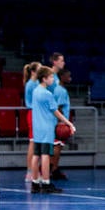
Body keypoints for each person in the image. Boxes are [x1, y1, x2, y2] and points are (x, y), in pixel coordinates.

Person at [29, 66, 75, 194]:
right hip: (46, 127)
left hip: (37, 127)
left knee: (36, 155)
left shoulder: (36, 91)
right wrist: (69, 123)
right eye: (50, 77)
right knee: (45, 156)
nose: (53, 80)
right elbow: (56, 112)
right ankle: (46, 183)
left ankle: (35, 183)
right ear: (44, 79)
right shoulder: (47, 94)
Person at [49, 68, 72, 181]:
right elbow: (59, 108)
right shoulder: (61, 90)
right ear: (62, 77)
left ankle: (53, 168)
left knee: (57, 146)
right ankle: (53, 169)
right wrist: (62, 122)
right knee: (57, 145)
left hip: (57, 121)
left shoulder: (58, 89)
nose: (70, 78)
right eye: (68, 76)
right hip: (60, 122)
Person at [23, 61, 42, 183]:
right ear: (33, 71)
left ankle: (36, 170)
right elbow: (30, 103)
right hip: (33, 113)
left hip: (39, 113)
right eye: (40, 69)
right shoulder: (31, 84)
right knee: (32, 142)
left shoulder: (38, 83)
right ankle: (30, 171)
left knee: (38, 142)